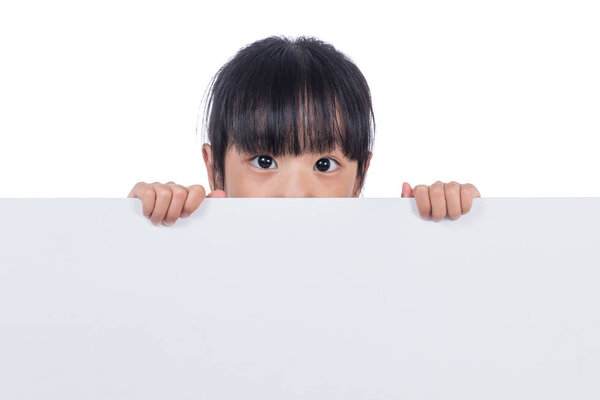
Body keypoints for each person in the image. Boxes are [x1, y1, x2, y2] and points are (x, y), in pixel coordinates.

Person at [128, 35, 480, 226]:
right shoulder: (191, 257)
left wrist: (447, 228)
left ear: (360, 178)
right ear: (214, 168)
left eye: (324, 165)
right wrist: (141, 222)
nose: (295, 194)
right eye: (264, 161)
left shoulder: (380, 266)